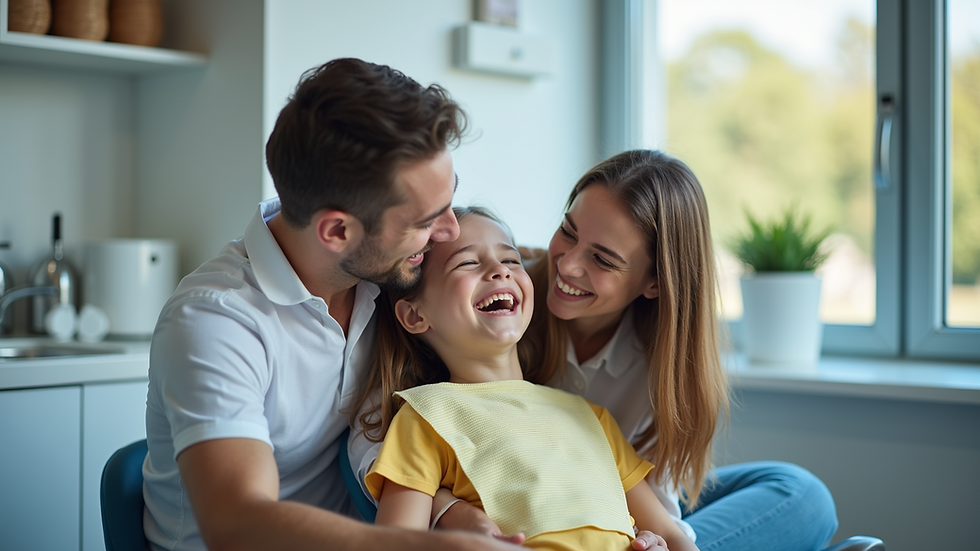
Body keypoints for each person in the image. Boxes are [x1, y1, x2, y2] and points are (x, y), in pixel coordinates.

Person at [350, 150, 839, 551]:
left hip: (610, 512)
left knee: (799, 493)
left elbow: (660, 522)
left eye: (603, 259)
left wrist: (649, 541)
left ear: (653, 282)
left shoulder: (606, 406)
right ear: (415, 316)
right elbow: (379, 463)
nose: (567, 265)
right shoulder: (433, 402)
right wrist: (449, 513)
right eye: (568, 232)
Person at [142, 58, 521, 551]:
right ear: (337, 231)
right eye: (427, 220)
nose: (449, 231)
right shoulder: (215, 321)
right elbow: (236, 524)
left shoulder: (381, 269)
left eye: (450, 199)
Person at [359, 206, 699, 551]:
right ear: (415, 315)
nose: (499, 272)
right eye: (467, 263)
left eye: (511, 261)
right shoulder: (425, 418)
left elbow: (670, 535)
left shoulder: (591, 417)